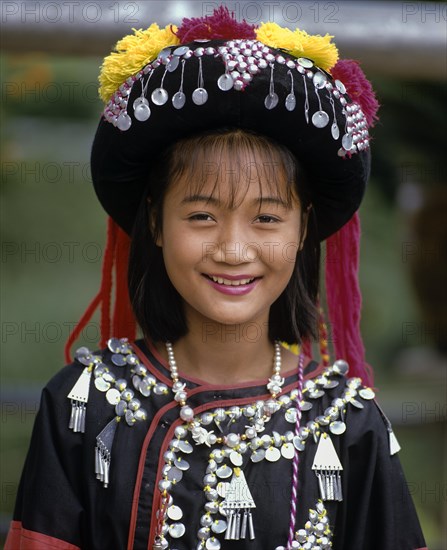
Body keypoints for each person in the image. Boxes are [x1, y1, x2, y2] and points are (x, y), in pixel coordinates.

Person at [5, 7, 427, 550]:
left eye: (267, 218)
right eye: (201, 215)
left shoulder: (348, 422)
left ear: (304, 231)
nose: (232, 249)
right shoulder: (83, 406)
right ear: (155, 223)